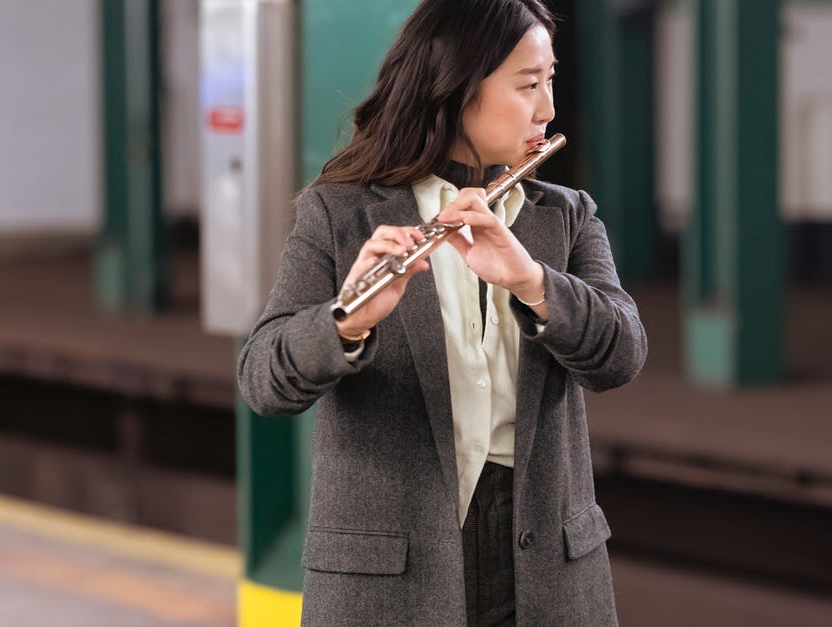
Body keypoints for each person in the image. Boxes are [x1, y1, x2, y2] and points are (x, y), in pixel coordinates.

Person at [236, 0, 647, 624]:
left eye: (551, 80)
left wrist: (532, 281)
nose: (548, 108)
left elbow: (621, 355)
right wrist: (348, 319)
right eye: (529, 84)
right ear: (456, 89)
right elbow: (263, 382)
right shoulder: (340, 213)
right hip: (389, 573)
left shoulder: (565, 216)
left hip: (542, 565)